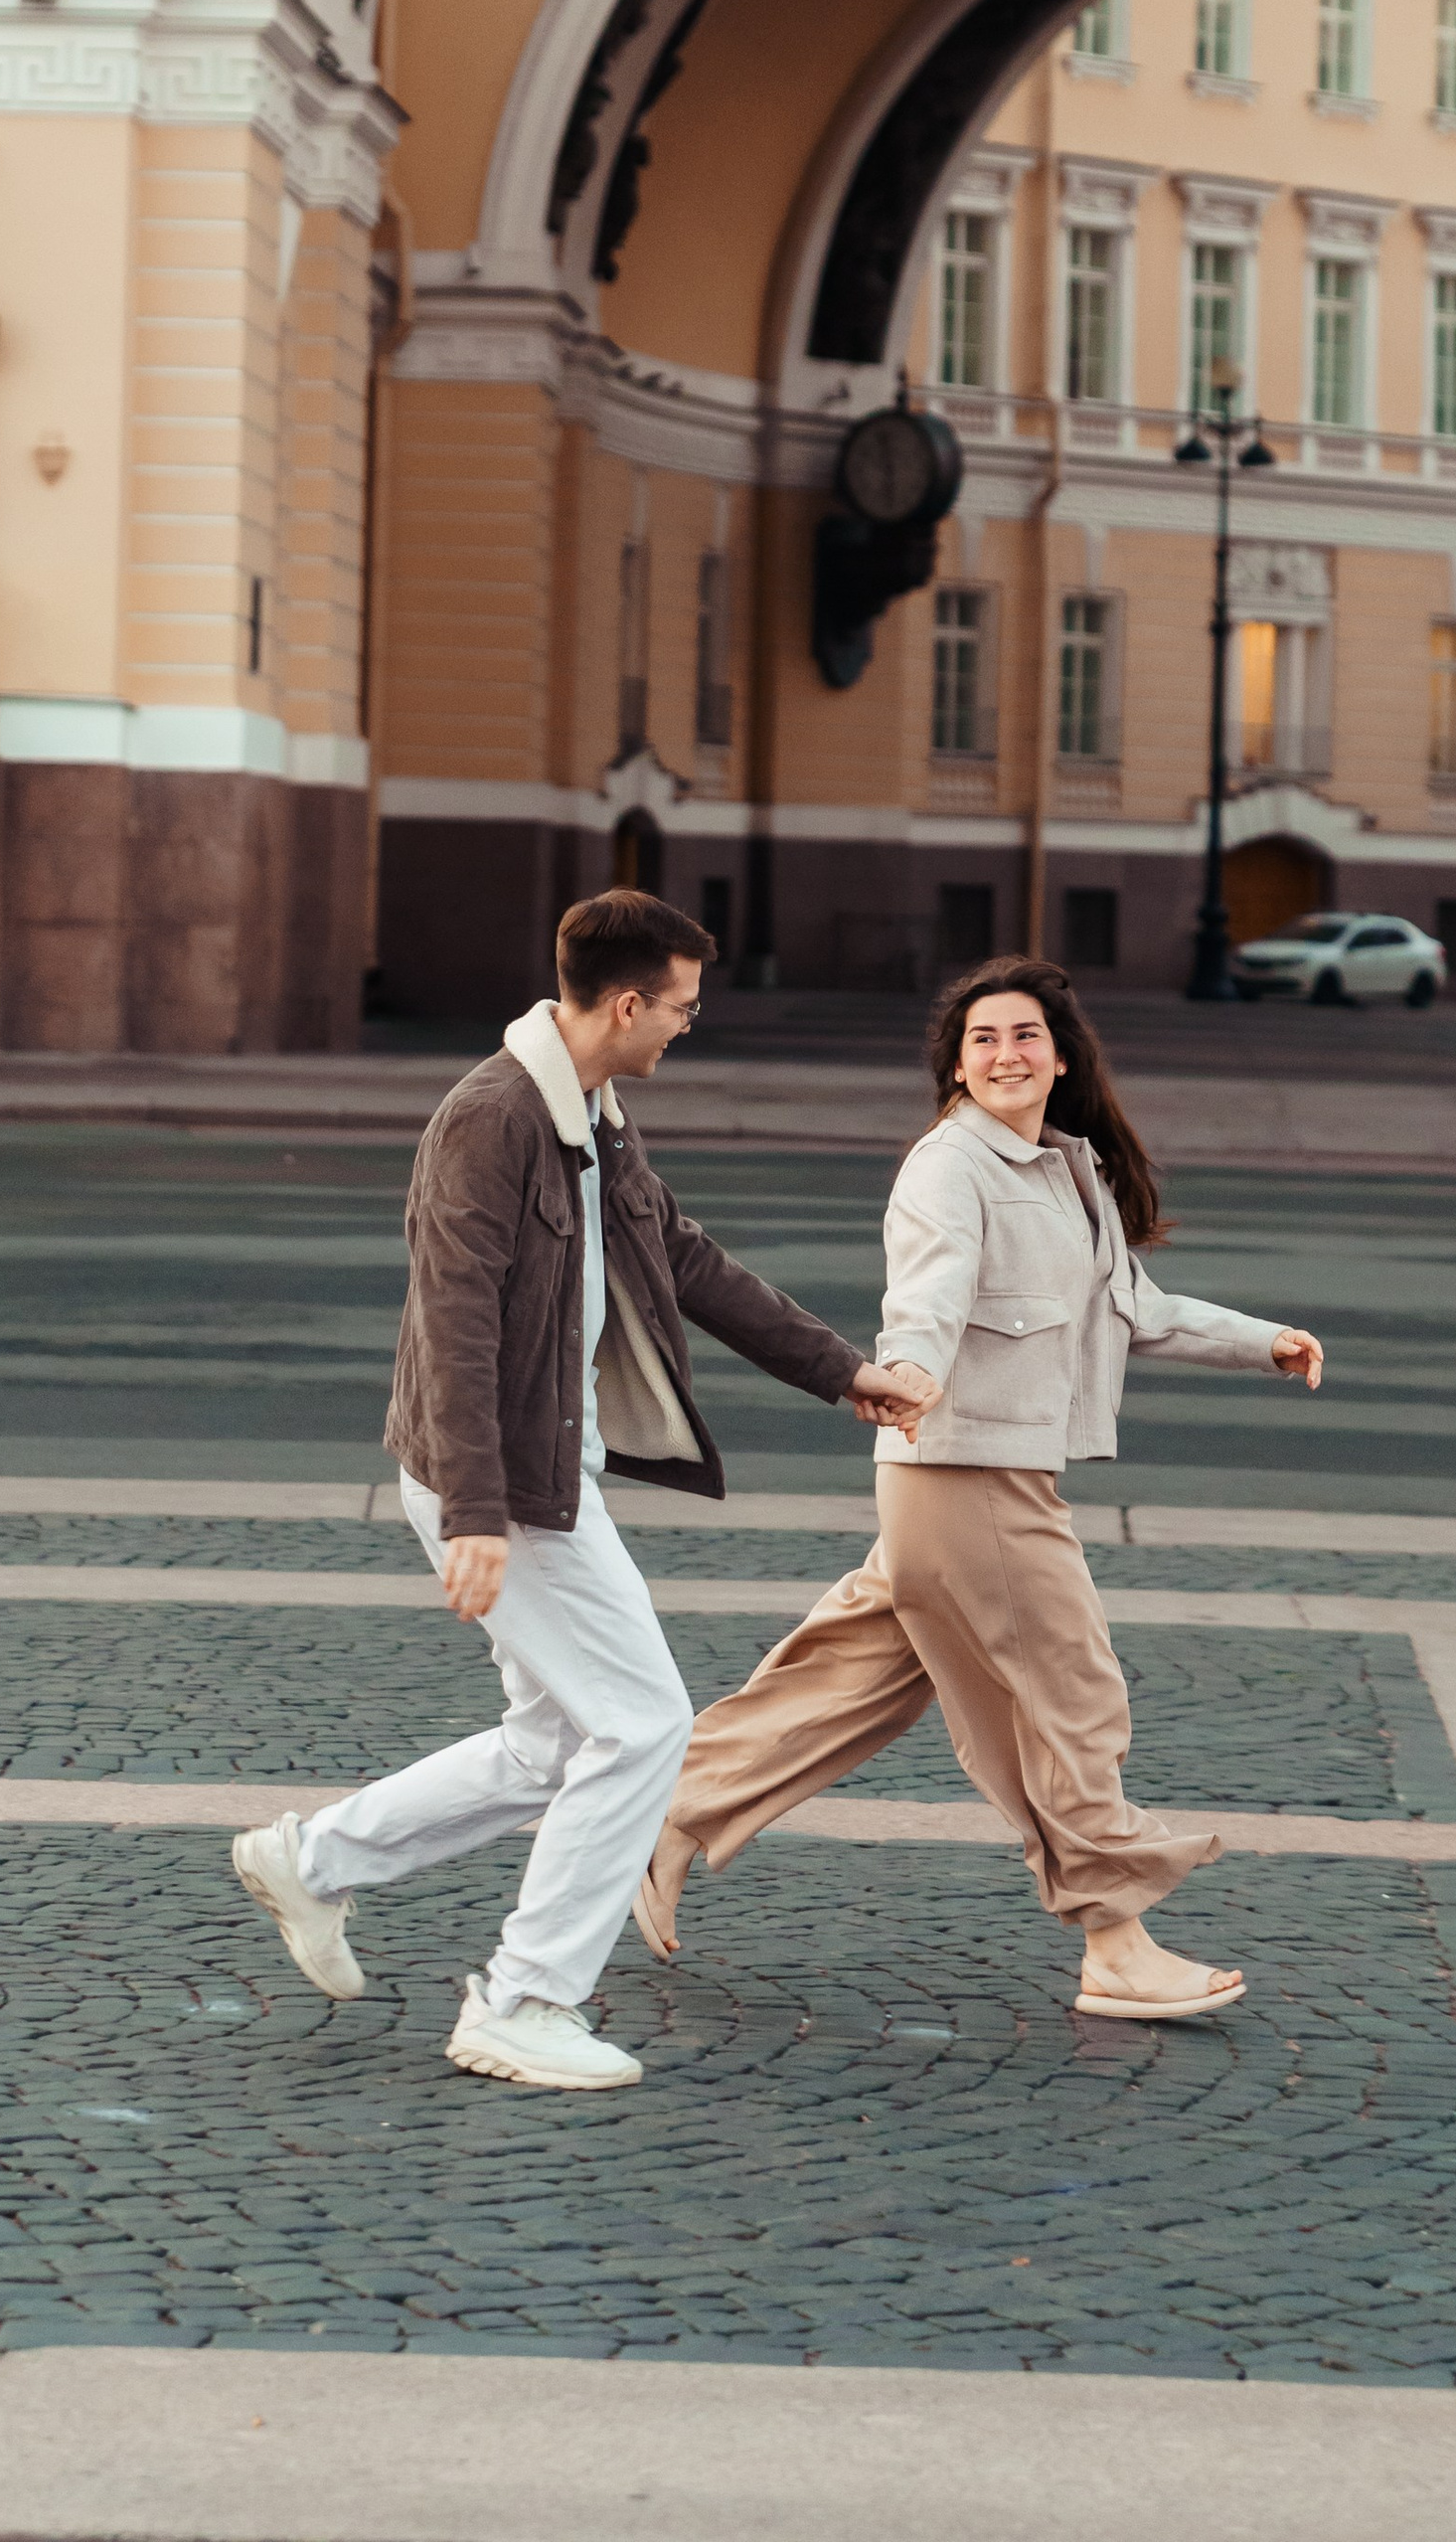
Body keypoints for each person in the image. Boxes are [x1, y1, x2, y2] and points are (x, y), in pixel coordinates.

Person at [228, 892, 937, 2093]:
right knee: (645, 1723)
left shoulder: (593, 1111)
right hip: (506, 1481)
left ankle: (314, 1860)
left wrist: (841, 1372)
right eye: (680, 1010)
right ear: (624, 1003)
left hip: (547, 1470)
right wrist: (475, 1513)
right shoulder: (493, 1120)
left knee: (556, 1740)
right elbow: (450, 1322)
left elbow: (684, 1255)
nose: (683, 1031)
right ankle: (524, 1998)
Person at [636, 954, 1324, 2023]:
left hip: (964, 1480)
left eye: (1023, 1036)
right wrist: (905, 1370)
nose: (1006, 1054)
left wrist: (1262, 1341)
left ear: (1059, 1057)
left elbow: (1133, 1306)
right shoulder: (949, 1166)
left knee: (848, 1682)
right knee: (1067, 1694)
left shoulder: (1068, 1169)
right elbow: (928, 1286)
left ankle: (661, 1818)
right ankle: (1114, 1940)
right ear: (956, 1068)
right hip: (965, 1469)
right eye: (983, 1040)